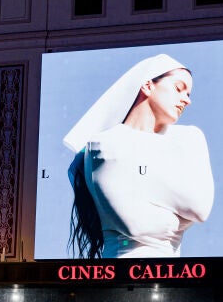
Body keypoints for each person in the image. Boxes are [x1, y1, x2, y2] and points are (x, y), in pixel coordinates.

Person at [64, 54, 214, 258]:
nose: (187, 100)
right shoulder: (105, 144)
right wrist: (180, 216)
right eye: (179, 88)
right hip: (119, 274)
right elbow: (136, 226)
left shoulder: (188, 137)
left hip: (175, 275)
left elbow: (199, 208)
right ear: (147, 86)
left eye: (188, 93)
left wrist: (137, 182)